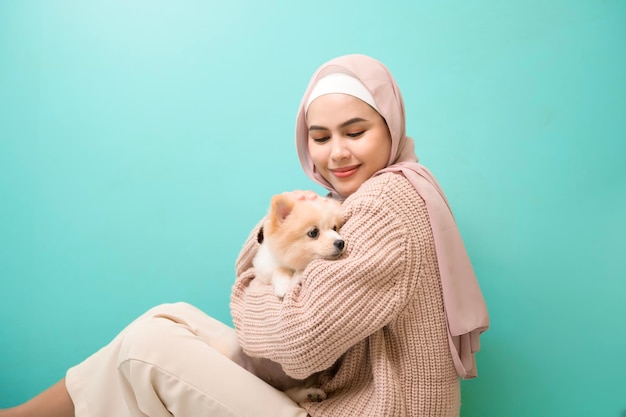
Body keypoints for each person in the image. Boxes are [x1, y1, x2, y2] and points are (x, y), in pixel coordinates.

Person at [0, 54, 489, 417]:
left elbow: (299, 341)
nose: (336, 153)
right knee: (171, 317)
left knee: (146, 346)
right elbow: (292, 310)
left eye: (355, 131)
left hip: (354, 410)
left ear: (390, 126)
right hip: (325, 394)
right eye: (320, 137)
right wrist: (270, 235)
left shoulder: (386, 204)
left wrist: (252, 286)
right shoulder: (353, 203)